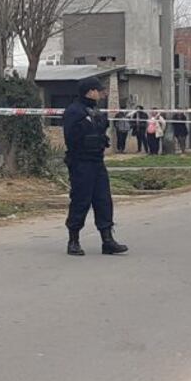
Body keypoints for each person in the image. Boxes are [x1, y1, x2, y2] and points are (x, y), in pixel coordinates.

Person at [63, 77, 128, 256]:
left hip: (97, 162)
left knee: (103, 200)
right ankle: (73, 240)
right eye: (99, 90)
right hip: (80, 162)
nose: (101, 94)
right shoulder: (75, 111)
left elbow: (101, 132)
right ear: (90, 91)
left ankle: (107, 240)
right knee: (81, 200)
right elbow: (71, 138)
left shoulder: (95, 111)